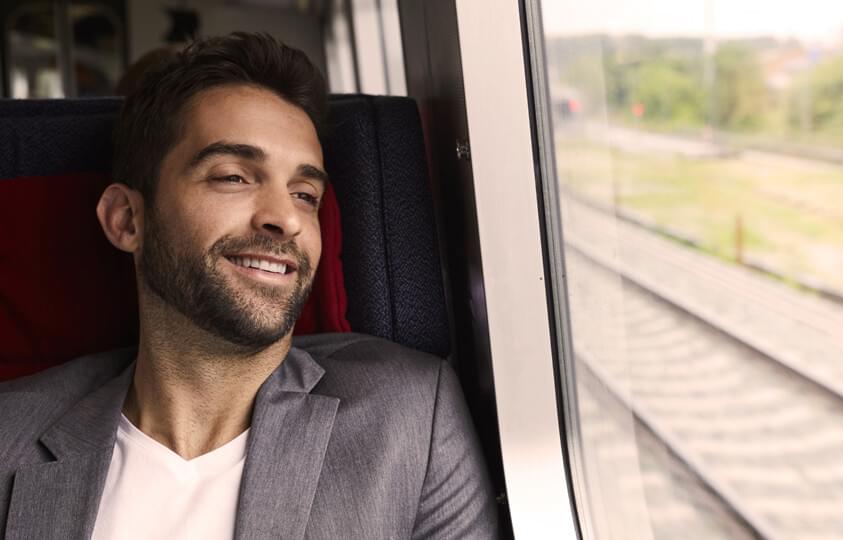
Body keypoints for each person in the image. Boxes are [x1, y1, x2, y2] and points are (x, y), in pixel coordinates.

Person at [0, 32, 497, 539]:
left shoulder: (409, 417)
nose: (286, 218)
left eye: (305, 194)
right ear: (127, 219)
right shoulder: (9, 436)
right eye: (234, 177)